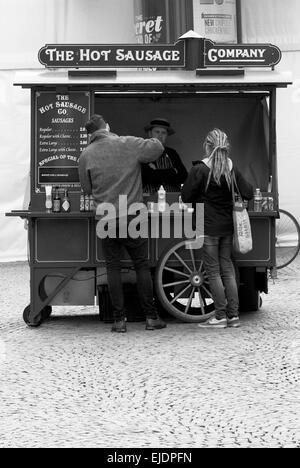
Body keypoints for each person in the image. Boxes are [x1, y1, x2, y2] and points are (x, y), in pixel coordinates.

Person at [78, 114, 167, 333]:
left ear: (90, 134)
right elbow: (157, 148)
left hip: (105, 218)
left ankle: (119, 321)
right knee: (141, 266)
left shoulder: (85, 155)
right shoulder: (128, 143)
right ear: (107, 127)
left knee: (113, 269)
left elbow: (87, 190)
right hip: (132, 215)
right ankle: (150, 318)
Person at [181, 128, 253, 329]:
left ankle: (220, 316)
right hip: (227, 225)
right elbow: (248, 193)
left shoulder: (200, 169)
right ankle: (233, 316)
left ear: (207, 146)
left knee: (213, 272)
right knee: (228, 270)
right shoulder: (231, 167)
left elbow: (186, 196)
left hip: (206, 223)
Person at [142, 118, 188, 193]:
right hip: (150, 198)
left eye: (163, 133)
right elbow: (146, 177)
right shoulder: (143, 153)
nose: (160, 135)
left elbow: (183, 176)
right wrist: (172, 172)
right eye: (157, 132)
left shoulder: (172, 153)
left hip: (173, 200)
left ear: (167, 135)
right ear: (150, 134)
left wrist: (156, 171)